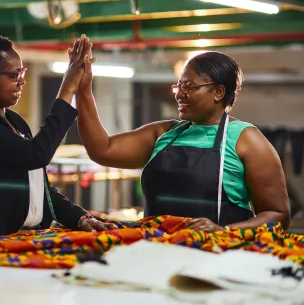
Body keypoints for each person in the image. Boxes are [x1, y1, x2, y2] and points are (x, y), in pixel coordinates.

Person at [77, 50, 291, 231]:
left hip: (216, 256)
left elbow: (278, 214)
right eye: (179, 86)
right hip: (154, 250)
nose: (180, 95)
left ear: (218, 92)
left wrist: (225, 231)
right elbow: (101, 149)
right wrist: (83, 89)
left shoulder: (246, 139)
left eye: (190, 87)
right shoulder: (163, 133)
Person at [0, 34, 116, 241]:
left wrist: (80, 218)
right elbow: (36, 155)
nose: (22, 81)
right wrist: (67, 90)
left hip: (21, 238)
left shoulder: (15, 122)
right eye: (13, 75)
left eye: (22, 72)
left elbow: (40, 186)